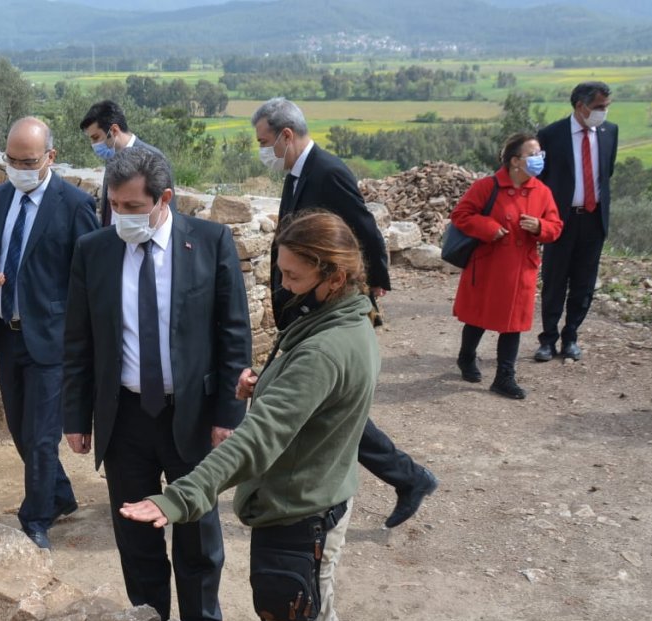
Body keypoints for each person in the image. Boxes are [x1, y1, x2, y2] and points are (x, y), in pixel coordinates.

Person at [120, 211, 379, 621]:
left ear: (336, 275)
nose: (284, 286)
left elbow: (257, 442)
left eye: (294, 277)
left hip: (301, 510)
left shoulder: (326, 347)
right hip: (320, 498)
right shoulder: (347, 318)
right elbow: (312, 404)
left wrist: (179, 497)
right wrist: (268, 387)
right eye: (281, 273)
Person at [63, 147, 251, 621]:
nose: (119, 213)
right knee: (135, 532)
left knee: (196, 531)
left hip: (190, 415)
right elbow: (79, 341)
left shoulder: (210, 243)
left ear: (164, 199)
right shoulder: (94, 250)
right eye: (112, 202)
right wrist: (76, 415)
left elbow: (232, 334)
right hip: (124, 417)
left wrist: (227, 414)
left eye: (131, 204)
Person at [252, 97, 437, 529]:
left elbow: (364, 229)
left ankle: (408, 477)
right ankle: (404, 477)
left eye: (264, 141)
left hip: (329, 301)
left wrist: (374, 286)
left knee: (326, 402)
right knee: (320, 402)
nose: (262, 150)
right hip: (304, 296)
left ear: (286, 135)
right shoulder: (296, 173)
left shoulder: (328, 171)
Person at [0, 117, 98, 550]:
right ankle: (59, 495)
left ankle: (35, 518)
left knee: (42, 437)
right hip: (7, 332)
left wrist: (84, 340)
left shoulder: (74, 204)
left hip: (52, 339)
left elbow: (91, 275)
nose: (19, 168)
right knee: (22, 430)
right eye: (12, 160)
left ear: (50, 158)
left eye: (28, 160)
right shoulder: (0, 196)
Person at [450, 133, 564, 400]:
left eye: (540, 155)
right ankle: (466, 358)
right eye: (533, 155)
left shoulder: (542, 192)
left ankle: (504, 376)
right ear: (515, 161)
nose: (539, 160)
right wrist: (488, 228)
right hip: (488, 267)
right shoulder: (487, 187)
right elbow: (460, 215)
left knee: (513, 324)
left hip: (521, 271)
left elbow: (556, 227)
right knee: (478, 319)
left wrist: (540, 227)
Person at [534, 81, 619, 362]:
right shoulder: (551, 135)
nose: (604, 112)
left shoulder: (610, 132)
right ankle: (548, 339)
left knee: (584, 282)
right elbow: (541, 180)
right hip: (561, 220)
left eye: (606, 106)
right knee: (555, 280)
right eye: (599, 107)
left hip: (594, 220)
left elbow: (607, 173)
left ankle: (571, 336)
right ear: (581, 106)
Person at [80, 100, 169, 226]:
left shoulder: (153, 158)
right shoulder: (112, 158)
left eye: (96, 138)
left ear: (114, 130)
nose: (94, 145)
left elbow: (166, 212)